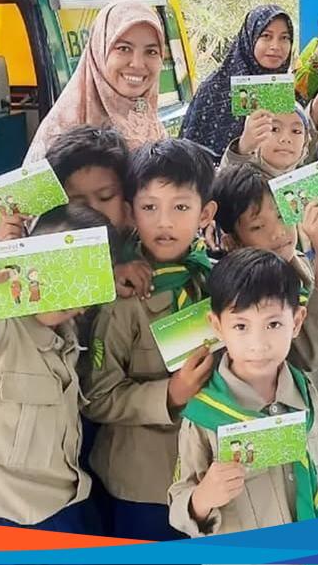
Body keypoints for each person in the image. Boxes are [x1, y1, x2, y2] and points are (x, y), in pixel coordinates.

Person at [211, 162, 318, 510]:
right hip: (292, 421)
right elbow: (311, 350)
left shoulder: (289, 260)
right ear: (231, 240)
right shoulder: (250, 287)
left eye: (281, 215)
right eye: (258, 226)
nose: (279, 232)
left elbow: (312, 317)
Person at [0, 205, 119, 533]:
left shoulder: (68, 339)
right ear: (29, 256)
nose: (68, 288)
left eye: (86, 277)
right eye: (59, 266)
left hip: (68, 509)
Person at [82, 138, 218, 540]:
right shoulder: (123, 299)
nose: (164, 222)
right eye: (149, 207)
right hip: (144, 486)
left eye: (180, 207)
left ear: (206, 213)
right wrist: (170, 395)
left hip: (206, 475)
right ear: (130, 211)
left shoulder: (215, 282)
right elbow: (96, 396)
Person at [168, 248, 318, 536]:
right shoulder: (203, 412)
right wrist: (201, 499)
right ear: (217, 326)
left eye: (273, 324)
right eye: (241, 326)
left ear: (296, 322)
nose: (258, 344)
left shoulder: (304, 392)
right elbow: (178, 504)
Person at [24, 0, 167, 163]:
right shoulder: (60, 133)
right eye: (123, 49)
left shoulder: (149, 123)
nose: (138, 64)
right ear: (99, 51)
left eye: (151, 51)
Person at [45, 125, 154, 300]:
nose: (94, 210)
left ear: (128, 201)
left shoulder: (151, 247)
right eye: (78, 203)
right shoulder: (50, 256)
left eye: (106, 197)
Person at [180, 5, 294, 159]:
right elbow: (194, 160)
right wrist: (241, 148)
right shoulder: (215, 90)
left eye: (284, 38)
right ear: (249, 38)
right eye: (266, 36)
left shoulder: (286, 92)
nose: (276, 46)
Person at [219, 103, 309, 177]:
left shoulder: (308, 181)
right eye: (274, 129)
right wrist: (242, 149)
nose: (285, 139)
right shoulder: (244, 181)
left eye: (296, 131)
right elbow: (223, 185)